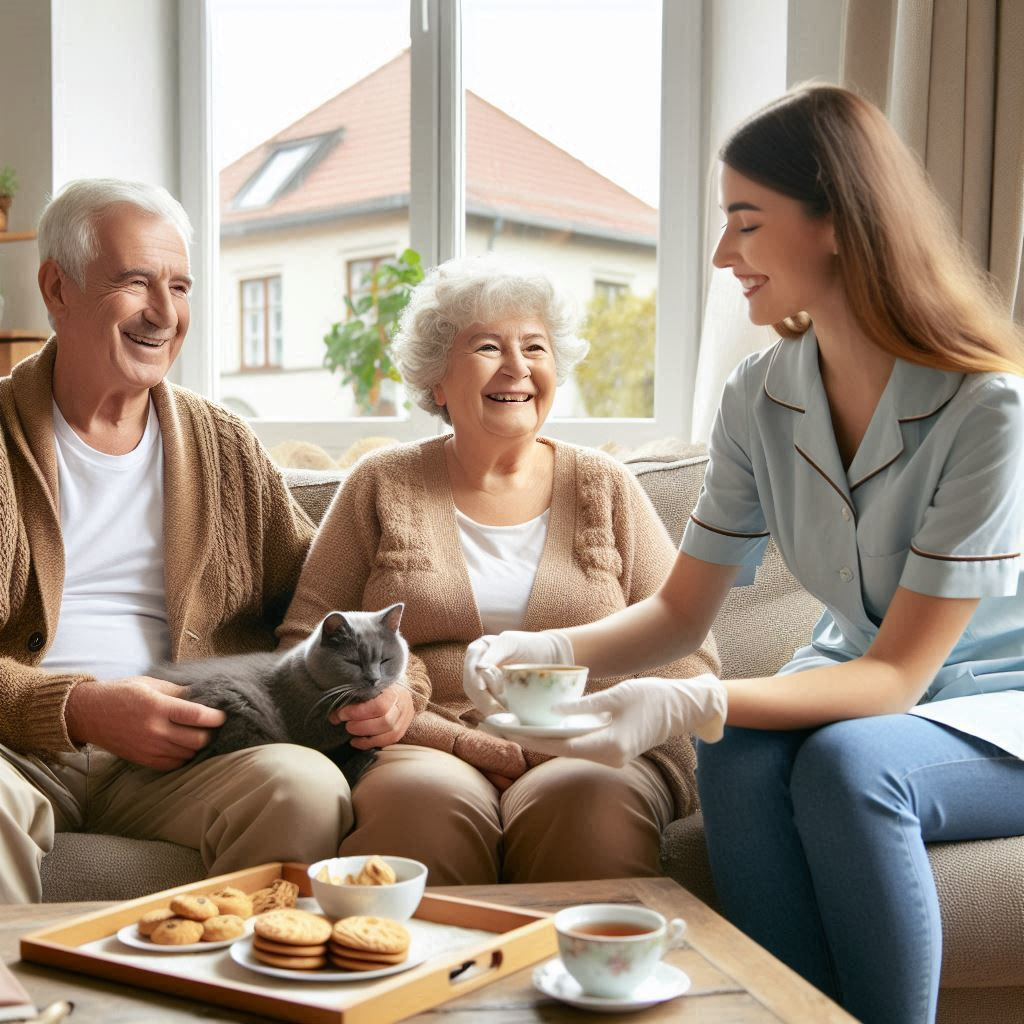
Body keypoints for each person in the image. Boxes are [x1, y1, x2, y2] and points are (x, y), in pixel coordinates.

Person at [463, 85, 1024, 1024]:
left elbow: (895, 679)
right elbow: (683, 613)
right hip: (860, 682)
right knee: (738, 755)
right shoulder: (760, 395)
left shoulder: (987, 413)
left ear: (838, 223)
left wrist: (691, 697)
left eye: (747, 223)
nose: (724, 254)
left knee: (850, 767)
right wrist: (548, 653)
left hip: (996, 705)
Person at [278, 254, 720, 885]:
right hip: (422, 744)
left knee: (587, 806)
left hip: (590, 743)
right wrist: (416, 717)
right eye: (488, 346)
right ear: (437, 380)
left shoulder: (606, 487)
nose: (517, 367)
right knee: (423, 809)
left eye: (534, 347)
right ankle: (431, 983)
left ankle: (577, 985)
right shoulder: (380, 485)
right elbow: (303, 645)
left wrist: (588, 725)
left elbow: (689, 655)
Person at [0, 179, 353, 903]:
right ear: (56, 289)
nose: (165, 313)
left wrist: (378, 682)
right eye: (136, 283)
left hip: (188, 754)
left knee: (304, 787)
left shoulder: (223, 445)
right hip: (16, 752)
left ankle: (236, 1001)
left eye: (181, 286)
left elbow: (325, 595)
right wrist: (78, 707)